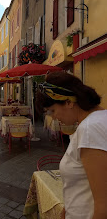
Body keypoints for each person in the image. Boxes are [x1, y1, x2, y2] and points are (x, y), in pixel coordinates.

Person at [36, 71, 107, 219]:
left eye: (53, 110)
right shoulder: (99, 119)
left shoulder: (89, 129)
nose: (54, 117)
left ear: (69, 102)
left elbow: (103, 206)